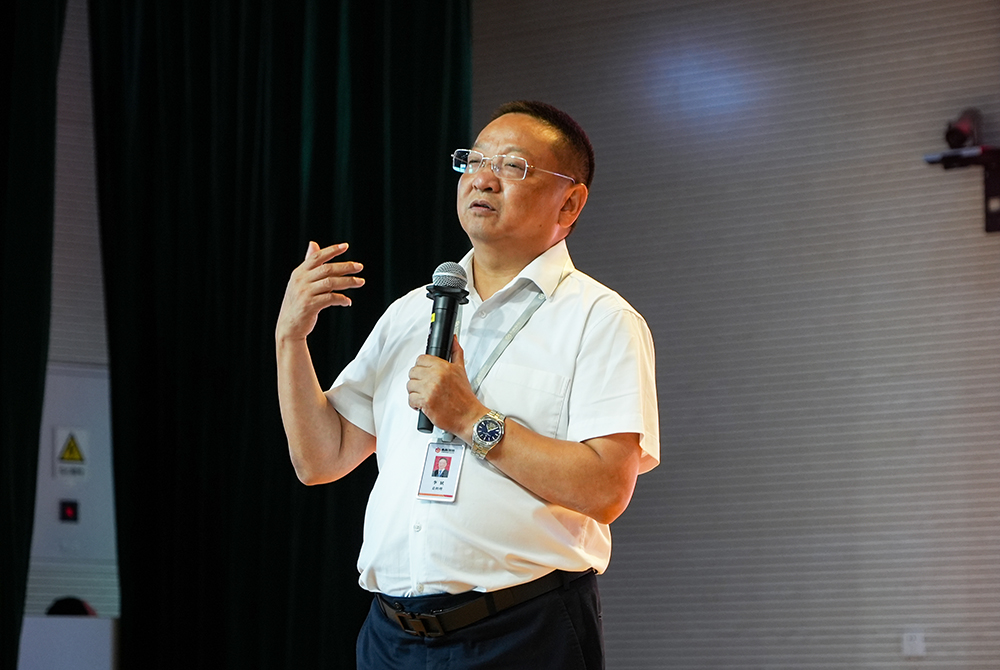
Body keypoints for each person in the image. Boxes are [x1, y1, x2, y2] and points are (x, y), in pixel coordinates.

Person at [276, 100, 659, 669]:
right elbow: (320, 459)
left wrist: (470, 420)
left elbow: (606, 490)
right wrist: (290, 340)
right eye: (474, 161)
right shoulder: (411, 312)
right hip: (391, 637)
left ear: (570, 202)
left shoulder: (600, 319)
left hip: (521, 631)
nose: (482, 178)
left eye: (512, 166)